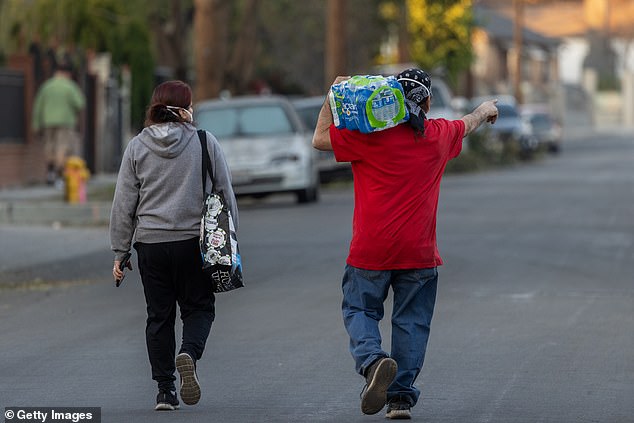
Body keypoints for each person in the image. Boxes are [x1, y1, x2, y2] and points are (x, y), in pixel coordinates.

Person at [312, 68, 498, 419]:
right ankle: (399, 400)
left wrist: (331, 96)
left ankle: (373, 362)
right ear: (428, 102)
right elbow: (467, 123)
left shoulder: (366, 138)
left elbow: (320, 139)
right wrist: (486, 109)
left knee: (360, 310)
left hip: (369, 251)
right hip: (419, 254)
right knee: (412, 321)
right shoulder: (438, 135)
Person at [109, 80, 238, 411]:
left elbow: (123, 203)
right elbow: (225, 194)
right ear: (185, 108)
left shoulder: (136, 147)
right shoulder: (204, 142)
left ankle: (165, 391)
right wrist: (231, 244)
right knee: (199, 308)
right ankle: (189, 354)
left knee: (159, 317)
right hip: (192, 243)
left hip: (150, 245)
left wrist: (120, 252)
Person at [31, 62, 85, 185]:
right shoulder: (70, 86)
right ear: (67, 73)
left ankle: (50, 173)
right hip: (65, 122)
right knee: (62, 148)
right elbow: (80, 103)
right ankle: (59, 175)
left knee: (49, 147)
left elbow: (38, 106)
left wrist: (36, 124)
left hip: (48, 121)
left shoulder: (46, 86)